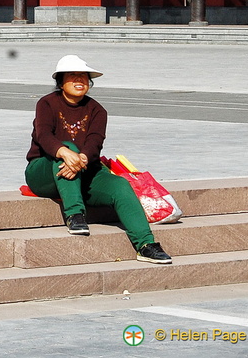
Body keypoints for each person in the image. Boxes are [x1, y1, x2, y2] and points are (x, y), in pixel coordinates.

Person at [25, 55, 172, 264]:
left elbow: (95, 142)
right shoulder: (46, 103)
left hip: (84, 170)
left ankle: (146, 245)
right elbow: (44, 135)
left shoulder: (97, 110)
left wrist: (80, 159)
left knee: (120, 185)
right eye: (73, 76)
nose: (79, 80)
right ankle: (75, 215)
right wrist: (66, 153)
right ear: (60, 82)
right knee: (69, 148)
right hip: (43, 170)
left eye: (84, 77)